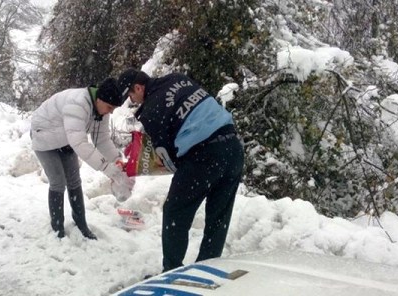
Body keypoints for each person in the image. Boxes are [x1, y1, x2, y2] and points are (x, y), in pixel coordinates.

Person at [117, 69, 244, 271]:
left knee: (175, 212)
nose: (132, 100)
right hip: (233, 147)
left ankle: (172, 271)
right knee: (218, 217)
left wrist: (141, 163)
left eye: (131, 95)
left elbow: (167, 156)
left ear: (139, 87)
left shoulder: (151, 111)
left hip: (203, 155)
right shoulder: (177, 78)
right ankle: (208, 269)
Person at [31, 78, 134, 240]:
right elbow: (79, 142)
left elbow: (102, 140)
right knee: (58, 182)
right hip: (43, 136)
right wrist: (106, 168)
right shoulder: (77, 104)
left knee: (74, 181)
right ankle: (57, 227)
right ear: (100, 99)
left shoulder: (100, 110)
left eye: (113, 109)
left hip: (66, 140)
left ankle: (81, 223)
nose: (111, 112)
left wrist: (117, 162)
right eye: (109, 107)